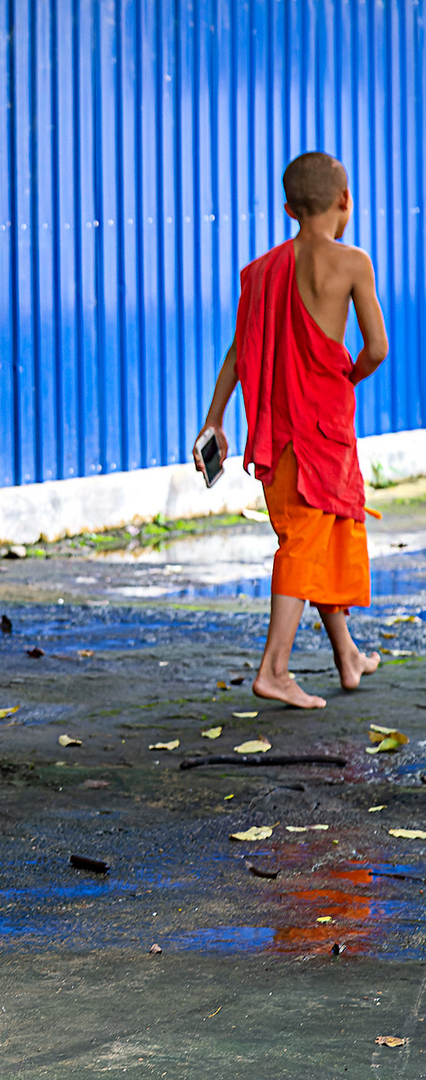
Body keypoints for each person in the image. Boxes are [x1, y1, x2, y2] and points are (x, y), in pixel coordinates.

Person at [194, 151, 388, 709]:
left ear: (287, 209)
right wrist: (344, 377)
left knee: (319, 535)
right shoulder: (352, 263)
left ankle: (347, 655)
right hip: (323, 430)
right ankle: (274, 669)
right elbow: (376, 347)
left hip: (277, 433)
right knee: (304, 543)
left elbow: (239, 351)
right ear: (345, 201)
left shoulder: (262, 271)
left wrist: (215, 419)